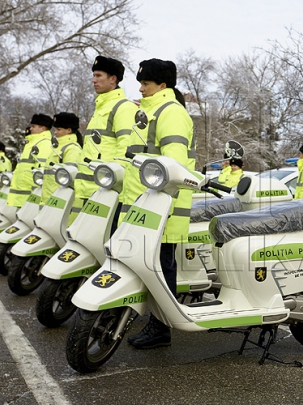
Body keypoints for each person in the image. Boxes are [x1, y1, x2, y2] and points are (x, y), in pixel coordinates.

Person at [125, 58, 195, 350]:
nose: (140, 88)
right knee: (144, 265)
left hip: (162, 207)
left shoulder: (171, 113)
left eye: (146, 83)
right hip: (143, 204)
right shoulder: (148, 113)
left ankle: (161, 328)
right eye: (140, 83)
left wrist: (159, 202)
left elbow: (172, 165)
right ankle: (153, 319)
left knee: (162, 269)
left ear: (162, 85)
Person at [74, 56, 138, 212]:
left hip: (109, 192)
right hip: (92, 190)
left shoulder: (124, 108)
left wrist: (113, 183)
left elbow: (126, 150)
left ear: (113, 79)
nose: (93, 80)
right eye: (93, 75)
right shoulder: (100, 108)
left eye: (98, 76)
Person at [44, 112, 84, 224]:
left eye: (59, 129)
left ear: (69, 130)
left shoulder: (72, 149)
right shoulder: (58, 148)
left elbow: (69, 180)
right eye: (55, 129)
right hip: (52, 201)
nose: (55, 132)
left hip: (61, 204)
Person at [6, 114, 52, 208]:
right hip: (22, 197)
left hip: (31, 198)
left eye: (33, 126)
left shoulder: (45, 144)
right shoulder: (31, 144)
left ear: (42, 128)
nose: (30, 129)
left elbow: (41, 171)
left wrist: (36, 194)